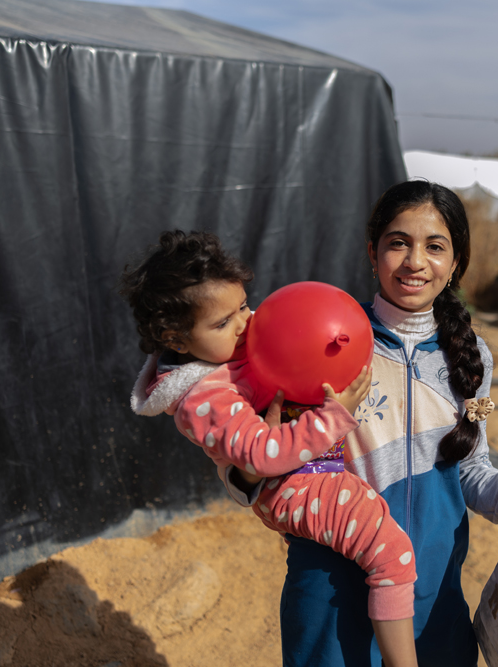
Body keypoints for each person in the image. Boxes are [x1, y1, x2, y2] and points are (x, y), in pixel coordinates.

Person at [221, 181, 498, 667]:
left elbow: (470, 470)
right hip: (330, 597)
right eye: (398, 243)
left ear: (457, 262)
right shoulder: (323, 340)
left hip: (433, 594)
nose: (415, 262)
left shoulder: (471, 357)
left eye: (435, 247)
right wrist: (250, 469)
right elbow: (249, 461)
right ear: (372, 251)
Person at [120, 230, 421, 667]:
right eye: (222, 322)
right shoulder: (203, 398)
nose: (245, 323)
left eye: (243, 306)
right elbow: (261, 456)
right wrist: (335, 415)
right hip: (295, 485)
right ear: (177, 339)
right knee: (393, 555)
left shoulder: (233, 346)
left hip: (313, 470)